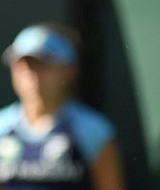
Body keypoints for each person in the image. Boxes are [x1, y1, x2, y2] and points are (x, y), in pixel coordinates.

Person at [0, 23, 125, 190]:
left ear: (70, 70)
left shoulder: (93, 130)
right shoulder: (2, 127)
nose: (32, 72)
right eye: (24, 64)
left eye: (43, 63)